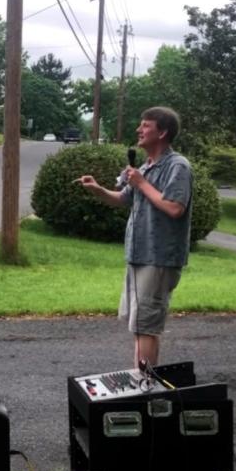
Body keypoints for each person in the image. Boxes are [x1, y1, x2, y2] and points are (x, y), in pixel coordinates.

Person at [74, 107, 193, 369]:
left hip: (159, 257)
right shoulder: (145, 167)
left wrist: (141, 183)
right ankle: (144, 381)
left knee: (146, 324)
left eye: (145, 125)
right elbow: (123, 198)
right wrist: (98, 189)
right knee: (141, 324)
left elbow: (175, 207)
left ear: (162, 132)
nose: (139, 130)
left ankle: (143, 387)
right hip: (138, 254)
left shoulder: (178, 166)